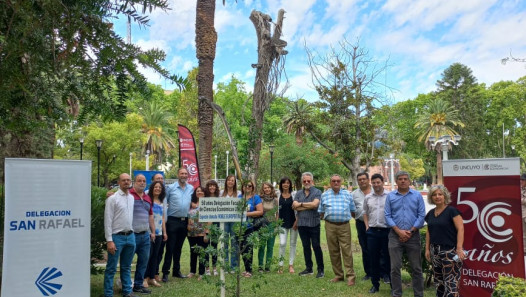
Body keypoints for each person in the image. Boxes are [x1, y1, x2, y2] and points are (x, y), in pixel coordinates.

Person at [385, 171, 425, 297]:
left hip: (413, 236)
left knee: (417, 269)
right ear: (396, 181)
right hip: (394, 236)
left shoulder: (417, 196)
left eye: (405, 179)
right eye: (400, 179)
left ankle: (419, 294)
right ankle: (397, 294)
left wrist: (410, 231)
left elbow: (421, 215)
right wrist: (399, 231)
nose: (403, 181)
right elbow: (387, 216)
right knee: (395, 268)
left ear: (409, 181)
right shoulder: (390, 197)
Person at [425, 185, 465, 297]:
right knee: (439, 282)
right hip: (435, 251)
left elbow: (460, 229)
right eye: (434, 194)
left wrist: (459, 248)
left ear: (445, 196)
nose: (437, 197)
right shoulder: (431, 213)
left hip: (450, 251)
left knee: (451, 283)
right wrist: (427, 249)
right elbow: (429, 231)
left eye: (440, 194)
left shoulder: (452, 211)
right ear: (431, 197)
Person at [319, 174, 356, 286]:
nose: (336, 183)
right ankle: (339, 275)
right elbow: (321, 211)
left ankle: (350, 276)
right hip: (330, 226)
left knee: (346, 251)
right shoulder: (324, 195)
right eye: (333, 181)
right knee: (333, 251)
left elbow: (353, 210)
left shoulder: (348, 194)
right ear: (330, 183)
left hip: (344, 225)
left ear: (341, 182)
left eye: (338, 181)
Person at [104, 173, 138, 297]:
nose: (126, 182)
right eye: (123, 180)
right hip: (116, 237)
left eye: (128, 180)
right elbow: (107, 220)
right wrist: (109, 240)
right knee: (111, 268)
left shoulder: (132, 198)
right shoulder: (112, 199)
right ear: (119, 182)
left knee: (126, 266)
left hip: (130, 236)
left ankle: (127, 292)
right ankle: (108, 293)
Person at [162, 167, 194, 282]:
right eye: (182, 173)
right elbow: (164, 202)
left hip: (184, 221)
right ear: (178, 174)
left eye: (185, 173)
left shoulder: (191, 188)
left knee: (178, 248)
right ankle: (165, 272)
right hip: (172, 221)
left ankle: (176, 271)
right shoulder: (170, 188)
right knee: (170, 247)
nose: (184, 175)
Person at [292, 172, 324, 278]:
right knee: (306, 247)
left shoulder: (317, 191)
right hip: (302, 224)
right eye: (304, 181)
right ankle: (308, 268)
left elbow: (315, 205)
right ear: (302, 182)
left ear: (312, 181)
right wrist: (307, 206)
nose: (306, 182)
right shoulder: (298, 193)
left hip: (314, 223)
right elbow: (294, 206)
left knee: (316, 246)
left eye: (308, 180)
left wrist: (300, 205)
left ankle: (320, 270)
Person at [363, 174, 391, 294]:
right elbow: (365, 212)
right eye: (373, 182)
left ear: (382, 182)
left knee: (389, 258)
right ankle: (375, 285)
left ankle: (393, 285)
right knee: (373, 259)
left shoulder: (390, 196)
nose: (376, 185)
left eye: (378, 182)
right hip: (373, 232)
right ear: (371, 183)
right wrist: (367, 226)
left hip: (387, 231)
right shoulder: (368, 197)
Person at [129, 174, 156, 294]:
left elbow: (151, 216)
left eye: (144, 181)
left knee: (143, 261)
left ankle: (138, 285)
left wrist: (153, 231)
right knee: (127, 261)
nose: (142, 183)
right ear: (134, 182)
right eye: (139, 181)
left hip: (145, 235)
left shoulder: (147, 197)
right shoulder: (128, 194)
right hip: (131, 234)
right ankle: (126, 285)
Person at [239, 180, 264, 278]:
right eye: (245, 186)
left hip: (250, 227)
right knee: (241, 249)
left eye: (250, 186)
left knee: (248, 248)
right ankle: (246, 269)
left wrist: (246, 214)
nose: (247, 187)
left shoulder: (255, 198)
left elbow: (260, 211)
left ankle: (249, 270)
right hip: (239, 228)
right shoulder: (239, 198)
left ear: (252, 187)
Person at [144, 181, 167, 288]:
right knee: (147, 256)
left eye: (159, 187)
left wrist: (164, 232)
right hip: (149, 233)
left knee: (155, 256)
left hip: (159, 233)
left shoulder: (161, 202)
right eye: (155, 187)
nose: (157, 189)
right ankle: (144, 278)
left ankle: (152, 278)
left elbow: (162, 218)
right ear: (152, 188)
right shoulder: (148, 200)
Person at [352, 172, 373, 281]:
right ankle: (368, 272)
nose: (362, 181)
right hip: (360, 224)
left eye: (364, 179)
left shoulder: (376, 190)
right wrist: (358, 217)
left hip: (376, 224)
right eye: (359, 179)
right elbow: (352, 210)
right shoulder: (354, 194)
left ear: (368, 180)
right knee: (365, 248)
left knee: (379, 249)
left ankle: (382, 272)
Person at [187, 186, 210, 280]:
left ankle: (201, 272)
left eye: (201, 191)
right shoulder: (191, 204)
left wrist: (207, 232)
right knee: (193, 252)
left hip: (202, 232)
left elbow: (210, 218)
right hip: (191, 232)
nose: (199, 192)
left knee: (202, 253)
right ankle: (192, 271)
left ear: (204, 193)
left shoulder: (207, 204)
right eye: (197, 191)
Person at [277, 176, 298, 274]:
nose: (286, 184)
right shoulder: (278, 195)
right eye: (284, 183)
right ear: (281, 184)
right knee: (282, 243)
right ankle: (280, 265)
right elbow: (275, 210)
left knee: (293, 244)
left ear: (290, 184)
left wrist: (296, 221)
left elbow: (298, 210)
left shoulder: (294, 194)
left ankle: (291, 265)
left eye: (288, 183)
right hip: (281, 223)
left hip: (293, 223)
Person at [220, 175, 241, 272]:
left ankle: (233, 266)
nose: (231, 182)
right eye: (229, 180)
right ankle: (225, 266)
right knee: (224, 243)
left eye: (233, 180)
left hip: (235, 221)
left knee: (234, 243)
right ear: (226, 181)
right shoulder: (221, 193)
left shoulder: (239, 193)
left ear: (235, 183)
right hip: (224, 220)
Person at [257, 182, 279, 272]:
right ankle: (260, 266)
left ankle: (267, 267)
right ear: (263, 189)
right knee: (262, 246)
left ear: (271, 188)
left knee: (270, 246)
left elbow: (277, 213)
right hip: (262, 224)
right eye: (265, 188)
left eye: (268, 188)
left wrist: (276, 225)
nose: (267, 189)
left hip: (272, 224)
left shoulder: (275, 199)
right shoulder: (259, 199)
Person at [204, 180, 221, 276]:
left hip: (216, 225)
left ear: (216, 187)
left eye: (213, 186)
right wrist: (206, 229)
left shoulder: (219, 199)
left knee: (214, 247)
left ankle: (214, 268)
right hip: (206, 224)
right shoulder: (204, 198)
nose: (212, 188)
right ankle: (207, 269)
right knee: (206, 247)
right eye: (210, 186)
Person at [521, 174, 526, 254]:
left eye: (522, 180)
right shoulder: (520, 189)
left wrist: (520, 199)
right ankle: (525, 249)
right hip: (522, 214)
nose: (521, 181)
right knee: (523, 233)